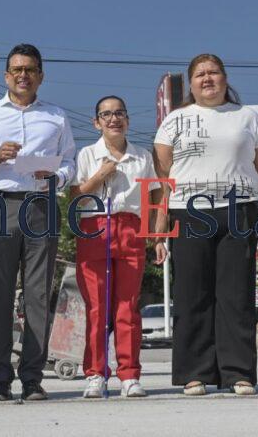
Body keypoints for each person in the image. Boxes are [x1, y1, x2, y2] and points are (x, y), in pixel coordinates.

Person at [154, 53, 258, 396]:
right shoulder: (175, 120)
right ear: (191, 82)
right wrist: (161, 226)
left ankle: (237, 372)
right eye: (200, 74)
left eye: (213, 73)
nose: (207, 79)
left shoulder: (246, 117)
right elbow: (164, 177)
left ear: (225, 79)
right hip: (189, 211)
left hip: (239, 210)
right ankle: (194, 373)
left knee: (236, 295)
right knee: (191, 294)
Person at [0, 43, 76, 401]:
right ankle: (0, 380)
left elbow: (71, 163)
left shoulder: (56, 116)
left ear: (41, 76)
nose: (23, 75)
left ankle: (32, 378)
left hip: (41, 205)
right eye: (17, 69)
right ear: (6, 75)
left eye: (30, 70)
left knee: (39, 295)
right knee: (0, 292)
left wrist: (56, 176)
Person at [70, 95, 166, 398]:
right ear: (96, 122)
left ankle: (129, 375)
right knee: (97, 308)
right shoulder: (87, 154)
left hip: (131, 228)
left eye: (120, 113)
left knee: (128, 307)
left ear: (127, 119)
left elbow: (155, 199)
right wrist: (99, 176)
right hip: (94, 227)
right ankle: (96, 373)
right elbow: (75, 198)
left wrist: (159, 237)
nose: (114, 119)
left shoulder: (141, 157)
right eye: (106, 114)